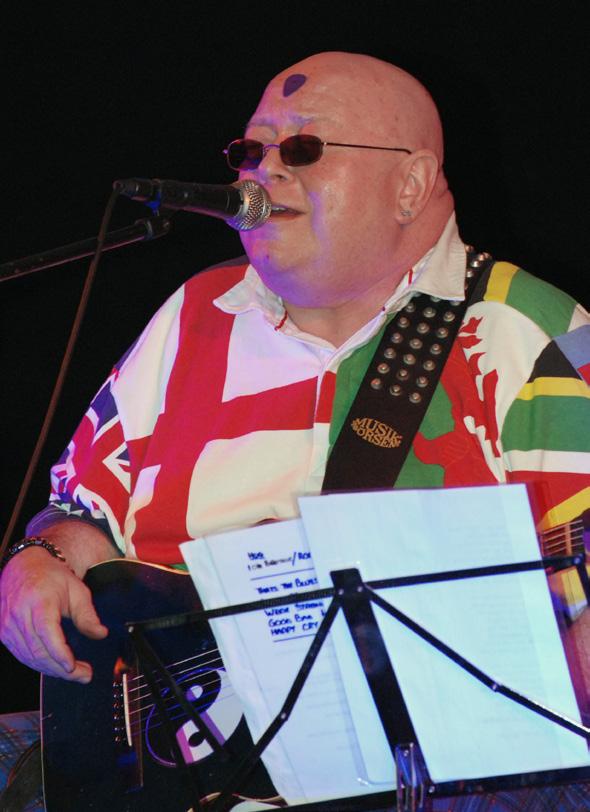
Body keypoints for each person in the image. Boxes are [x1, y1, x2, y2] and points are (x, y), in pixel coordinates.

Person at [1, 51, 589, 811]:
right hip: (162, 770)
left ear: (410, 184)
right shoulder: (192, 316)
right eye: (252, 149)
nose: (264, 170)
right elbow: (81, 516)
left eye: (304, 147)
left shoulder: (541, 336)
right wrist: (40, 561)